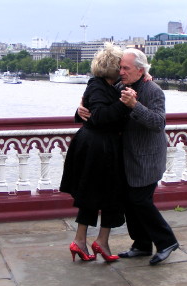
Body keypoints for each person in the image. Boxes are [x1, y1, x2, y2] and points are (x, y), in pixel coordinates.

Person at [78, 49, 179, 265]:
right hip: (126, 156)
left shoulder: (153, 90)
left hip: (146, 157)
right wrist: (80, 110)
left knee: (139, 200)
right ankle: (141, 244)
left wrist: (135, 106)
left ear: (140, 70)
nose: (121, 72)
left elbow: (158, 123)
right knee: (128, 200)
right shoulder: (121, 86)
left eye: (126, 68)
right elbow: (98, 101)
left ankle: (166, 241)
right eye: (120, 68)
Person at [60, 43, 131, 263]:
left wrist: (78, 112)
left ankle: (82, 241)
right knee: (109, 195)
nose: (122, 70)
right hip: (99, 148)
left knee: (92, 194)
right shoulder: (99, 86)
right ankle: (97, 241)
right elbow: (99, 116)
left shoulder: (104, 85)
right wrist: (124, 105)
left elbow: (89, 109)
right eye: (121, 65)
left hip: (96, 145)